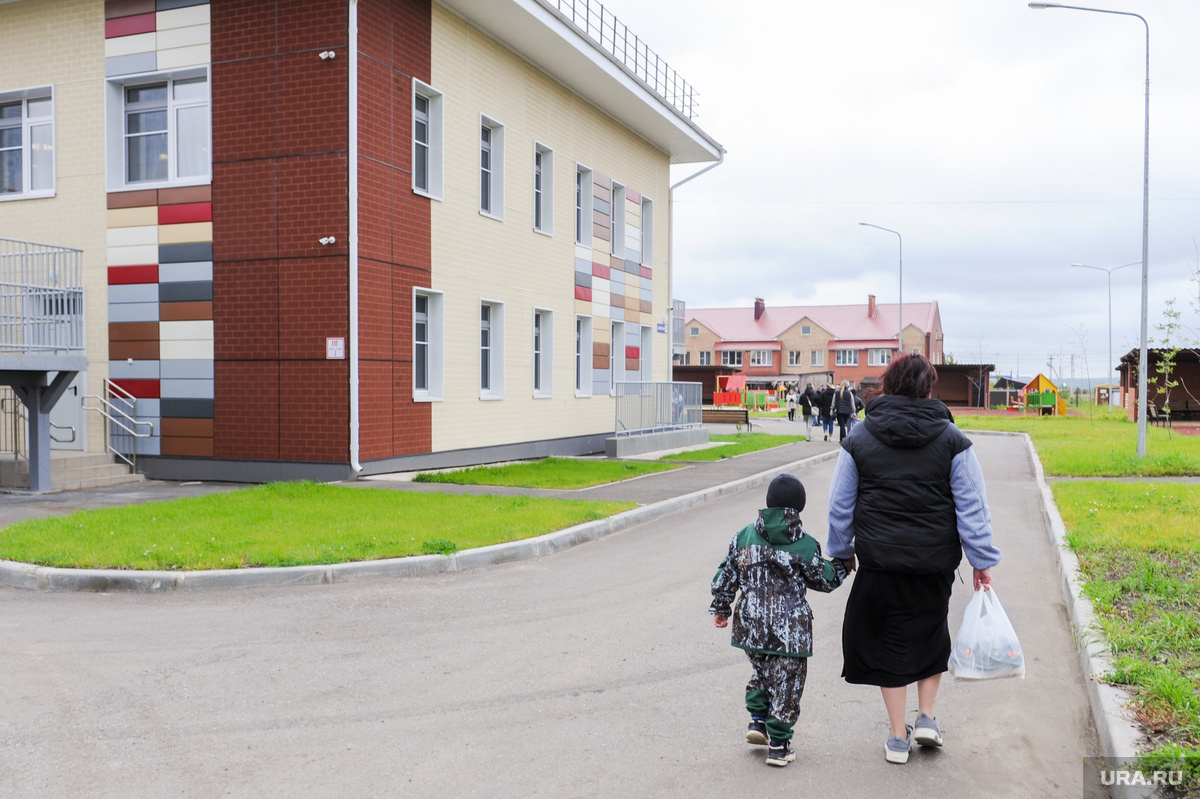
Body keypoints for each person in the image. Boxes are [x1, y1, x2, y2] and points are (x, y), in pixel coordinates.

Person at [826, 353, 1001, 765]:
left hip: (880, 562)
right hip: (933, 563)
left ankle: (895, 735)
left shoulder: (859, 438)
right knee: (928, 633)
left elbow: (840, 505)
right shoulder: (953, 440)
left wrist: (842, 551)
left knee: (887, 643)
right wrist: (981, 559)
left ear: (888, 385)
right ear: (927, 389)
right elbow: (973, 506)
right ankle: (927, 717)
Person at [711, 474, 849, 767]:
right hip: (790, 634)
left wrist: (721, 606)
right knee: (787, 684)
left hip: (752, 628)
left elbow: (727, 574)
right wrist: (843, 567)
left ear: (768, 503)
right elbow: (823, 579)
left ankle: (757, 722)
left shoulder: (744, 536)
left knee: (761, 672)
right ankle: (779, 744)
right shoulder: (805, 545)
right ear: (799, 508)